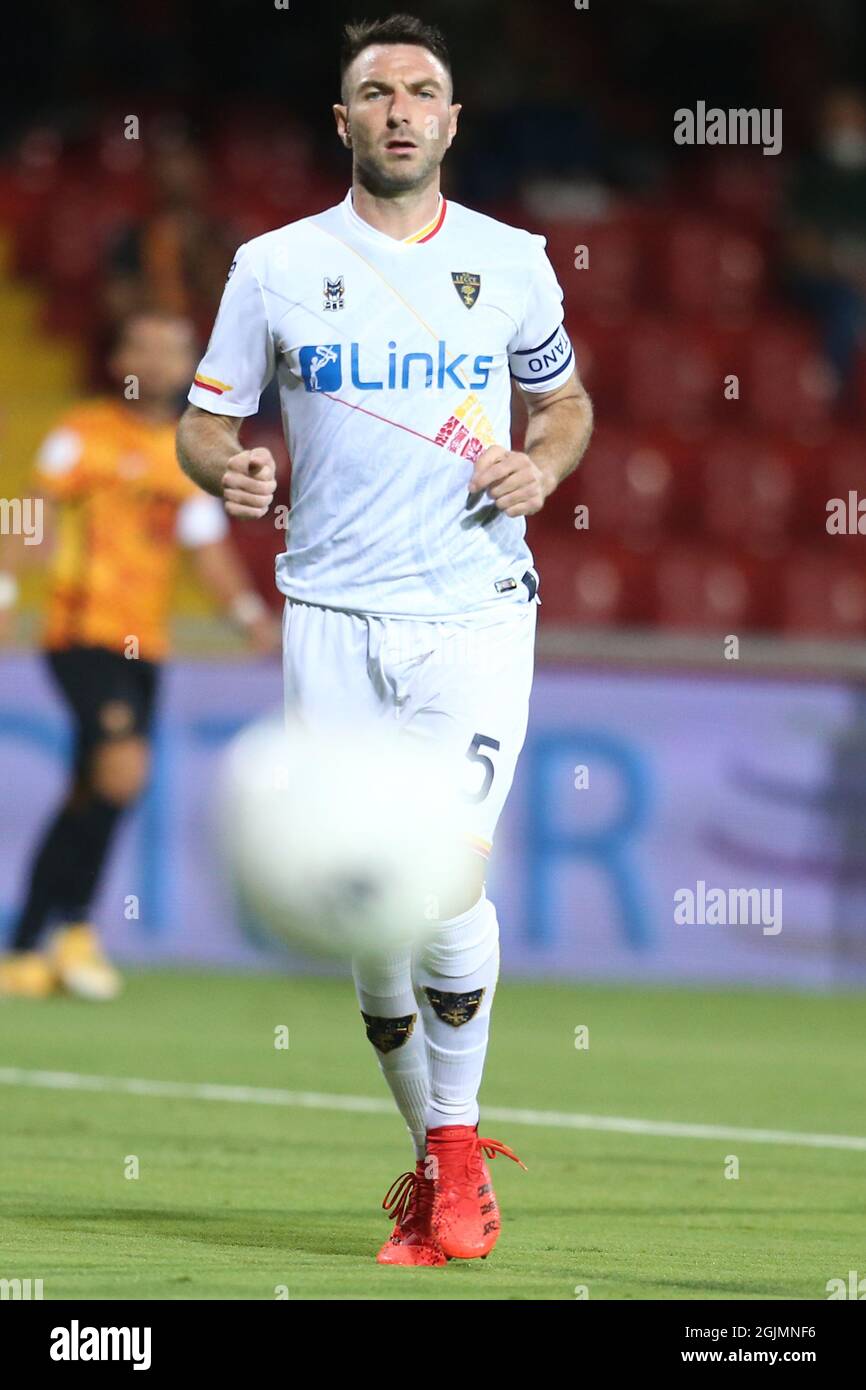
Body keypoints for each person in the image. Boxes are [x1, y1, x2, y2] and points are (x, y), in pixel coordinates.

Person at [176, 13, 593, 1266]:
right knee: (365, 919)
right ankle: (433, 1160)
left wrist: (540, 465)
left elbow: (564, 400)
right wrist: (226, 471)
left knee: (444, 882)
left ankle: (456, 1159)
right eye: (375, 91)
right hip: (327, 616)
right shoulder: (271, 266)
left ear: (453, 121)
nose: (400, 108)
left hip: (471, 612)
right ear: (343, 120)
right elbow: (204, 423)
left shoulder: (514, 261)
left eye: (423, 90)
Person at [0, 311, 279, 1002]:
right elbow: (29, 509)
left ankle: (30, 945)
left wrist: (247, 615)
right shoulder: (83, 433)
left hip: (144, 644)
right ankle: (72, 932)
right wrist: (5, 584)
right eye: (143, 347)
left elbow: (204, 549)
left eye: (171, 350)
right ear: (121, 355)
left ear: (191, 364)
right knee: (122, 769)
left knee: (94, 787)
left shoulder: (187, 453)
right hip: (80, 633)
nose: (156, 363)